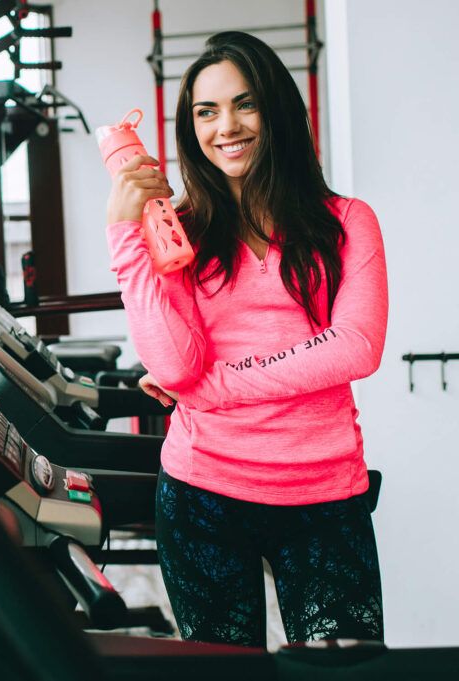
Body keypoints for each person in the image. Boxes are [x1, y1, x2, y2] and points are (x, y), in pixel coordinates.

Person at [105, 31, 386, 648]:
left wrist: (218, 384)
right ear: (191, 128)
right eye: (206, 111)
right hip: (202, 494)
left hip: (325, 497)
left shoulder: (347, 221)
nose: (225, 126)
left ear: (277, 109)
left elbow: (356, 346)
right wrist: (125, 234)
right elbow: (175, 368)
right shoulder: (179, 233)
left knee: (350, 670)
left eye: (245, 103)